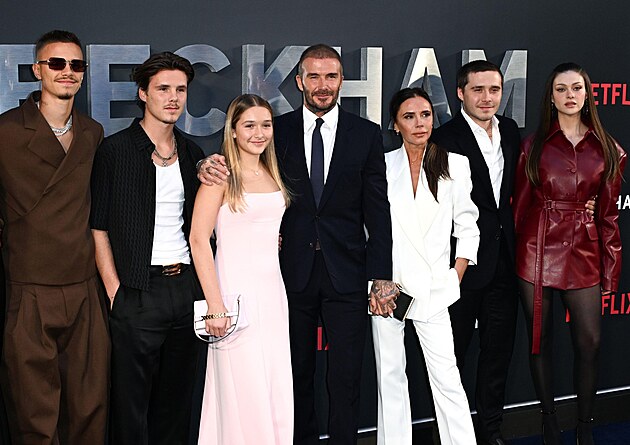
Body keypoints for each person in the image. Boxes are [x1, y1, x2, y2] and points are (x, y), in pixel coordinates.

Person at [197, 44, 396, 445]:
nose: (323, 85)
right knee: (294, 375)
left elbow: (378, 210)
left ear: (342, 81)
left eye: (331, 76)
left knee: (345, 378)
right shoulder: (277, 130)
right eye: (314, 76)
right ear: (300, 81)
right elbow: (239, 165)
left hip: (347, 274)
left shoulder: (365, 135)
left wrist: (381, 275)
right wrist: (205, 164)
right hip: (289, 276)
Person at [0, 29, 109, 445]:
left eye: (76, 64)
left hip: (83, 285)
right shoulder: (6, 132)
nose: (68, 72)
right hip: (29, 286)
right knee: (34, 411)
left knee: (89, 406)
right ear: (37, 70)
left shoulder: (92, 132)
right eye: (57, 63)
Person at [90, 52, 205, 445]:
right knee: (130, 407)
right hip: (137, 292)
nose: (173, 98)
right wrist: (115, 292)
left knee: (176, 407)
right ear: (143, 93)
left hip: (185, 290)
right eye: (163, 89)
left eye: (180, 90)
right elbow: (98, 227)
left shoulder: (192, 154)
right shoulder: (115, 151)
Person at [512, 63, 625, 445]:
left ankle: (585, 425)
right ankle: (548, 420)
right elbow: (519, 208)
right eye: (561, 89)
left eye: (577, 88)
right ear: (551, 97)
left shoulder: (608, 149)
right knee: (539, 341)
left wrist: (610, 273)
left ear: (588, 94)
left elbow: (609, 217)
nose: (570, 95)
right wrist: (517, 255)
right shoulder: (532, 145)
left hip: (584, 251)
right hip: (536, 250)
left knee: (590, 342)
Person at [371, 87, 479, 445]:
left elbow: (468, 226)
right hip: (389, 289)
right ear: (395, 124)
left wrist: (454, 276)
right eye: (409, 116)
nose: (419, 123)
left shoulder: (454, 164)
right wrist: (377, 281)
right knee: (390, 377)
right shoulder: (382, 165)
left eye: (425, 115)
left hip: (434, 289)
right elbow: (370, 226)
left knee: (447, 377)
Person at [191, 93, 293, 445]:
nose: (259, 133)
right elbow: (198, 240)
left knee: (273, 384)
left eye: (266, 125)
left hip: (273, 295)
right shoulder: (220, 176)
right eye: (249, 125)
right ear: (233, 130)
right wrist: (215, 306)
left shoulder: (272, 171)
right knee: (242, 389)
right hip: (234, 296)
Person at [430, 60, 521, 445]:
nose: (487, 98)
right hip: (460, 266)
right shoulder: (443, 139)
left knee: (497, 354)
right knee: (451, 358)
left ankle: (490, 432)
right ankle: (450, 434)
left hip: (504, 262)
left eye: (494, 90)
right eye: (478, 90)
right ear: (460, 93)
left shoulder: (511, 131)